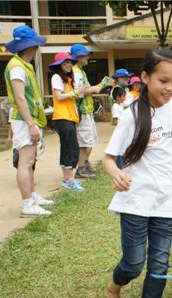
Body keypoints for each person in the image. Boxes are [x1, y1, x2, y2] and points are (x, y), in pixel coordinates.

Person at [103, 48, 172, 298]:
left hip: (165, 202)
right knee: (134, 264)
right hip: (135, 200)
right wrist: (115, 173)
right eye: (163, 80)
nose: (170, 88)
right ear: (145, 77)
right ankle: (113, 288)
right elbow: (109, 158)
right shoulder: (131, 114)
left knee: (159, 265)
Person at [4, 25, 53, 217]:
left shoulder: (24, 65)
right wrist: (31, 125)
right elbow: (20, 98)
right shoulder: (16, 67)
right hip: (24, 120)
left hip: (30, 118)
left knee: (31, 160)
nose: (37, 50)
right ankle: (27, 204)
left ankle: (32, 196)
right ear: (29, 46)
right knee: (25, 161)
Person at [71, 43, 111, 179]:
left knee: (90, 141)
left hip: (87, 111)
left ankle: (85, 165)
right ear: (78, 57)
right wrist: (98, 87)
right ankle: (81, 168)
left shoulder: (80, 71)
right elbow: (80, 91)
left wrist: (99, 86)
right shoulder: (76, 72)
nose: (88, 57)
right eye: (85, 55)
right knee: (85, 143)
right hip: (82, 111)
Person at [49, 52, 84, 191]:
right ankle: (70, 179)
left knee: (67, 148)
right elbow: (58, 96)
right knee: (72, 148)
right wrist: (76, 92)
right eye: (66, 63)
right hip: (62, 117)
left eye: (70, 62)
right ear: (59, 65)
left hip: (69, 117)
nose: (69, 65)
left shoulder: (67, 80)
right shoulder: (57, 77)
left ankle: (67, 179)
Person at [110, 87, 127, 168]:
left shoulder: (120, 105)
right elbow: (115, 121)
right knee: (120, 150)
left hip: (123, 131)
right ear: (118, 97)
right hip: (120, 131)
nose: (125, 98)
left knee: (123, 148)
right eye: (123, 96)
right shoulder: (116, 107)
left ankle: (123, 164)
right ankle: (119, 166)